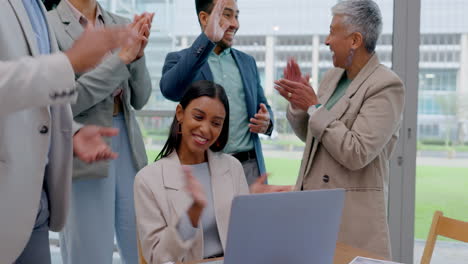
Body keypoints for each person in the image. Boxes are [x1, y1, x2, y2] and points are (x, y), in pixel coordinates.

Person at [0, 0, 139, 263]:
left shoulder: (35, 8)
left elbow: (37, 100)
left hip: (37, 194)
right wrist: (70, 62)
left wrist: (70, 132)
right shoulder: (51, 19)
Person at [274, 0, 405, 259]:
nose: (327, 41)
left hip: (350, 223)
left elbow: (357, 152)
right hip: (311, 213)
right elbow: (314, 139)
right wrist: (300, 106)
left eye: (333, 32)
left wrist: (314, 108)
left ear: (355, 40)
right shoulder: (332, 77)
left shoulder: (386, 85)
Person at [135, 80, 290, 264]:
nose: (206, 129)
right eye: (198, 117)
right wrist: (191, 216)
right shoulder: (147, 180)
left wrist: (253, 207)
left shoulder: (232, 167)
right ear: (180, 114)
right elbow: (157, 258)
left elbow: (246, 240)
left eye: (216, 123)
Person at [47, 1, 153, 263]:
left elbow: (140, 98)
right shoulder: (49, 26)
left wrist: (137, 57)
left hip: (128, 143)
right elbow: (66, 102)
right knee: (89, 251)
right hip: (83, 145)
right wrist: (122, 59)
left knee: (142, 247)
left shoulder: (120, 24)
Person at [159, 0, 274, 185]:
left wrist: (267, 122)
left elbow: (263, 107)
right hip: (204, 166)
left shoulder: (248, 62)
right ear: (205, 18)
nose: (235, 24)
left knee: (253, 215)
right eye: (227, 15)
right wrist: (208, 39)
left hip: (249, 167)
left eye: (236, 16)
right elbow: (170, 90)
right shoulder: (181, 60)